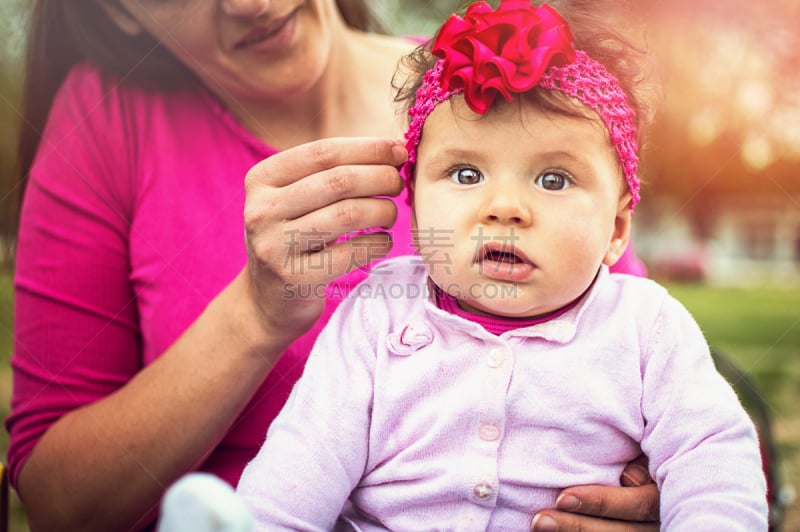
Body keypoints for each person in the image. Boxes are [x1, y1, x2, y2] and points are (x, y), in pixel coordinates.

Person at [5, 0, 657, 530]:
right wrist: (254, 318)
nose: (250, 5)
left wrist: (653, 497)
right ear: (120, 14)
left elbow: (643, 385)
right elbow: (63, 508)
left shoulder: (503, 91)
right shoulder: (105, 120)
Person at [235, 1, 767, 530]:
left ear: (617, 230)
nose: (504, 207)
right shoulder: (377, 318)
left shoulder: (644, 327)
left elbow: (712, 456)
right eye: (466, 174)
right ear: (415, 205)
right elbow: (302, 462)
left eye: (554, 179)